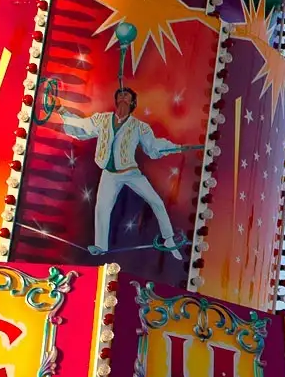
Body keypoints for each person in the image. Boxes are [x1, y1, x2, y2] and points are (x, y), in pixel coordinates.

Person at [61, 86, 202, 258]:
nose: (122, 98)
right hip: (109, 174)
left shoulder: (139, 127)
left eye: (126, 96)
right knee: (102, 208)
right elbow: (83, 125)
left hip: (130, 172)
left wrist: (177, 148)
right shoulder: (102, 120)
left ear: (133, 103)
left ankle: (169, 239)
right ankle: (100, 246)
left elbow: (154, 146)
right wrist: (61, 110)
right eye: (120, 95)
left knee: (156, 201)